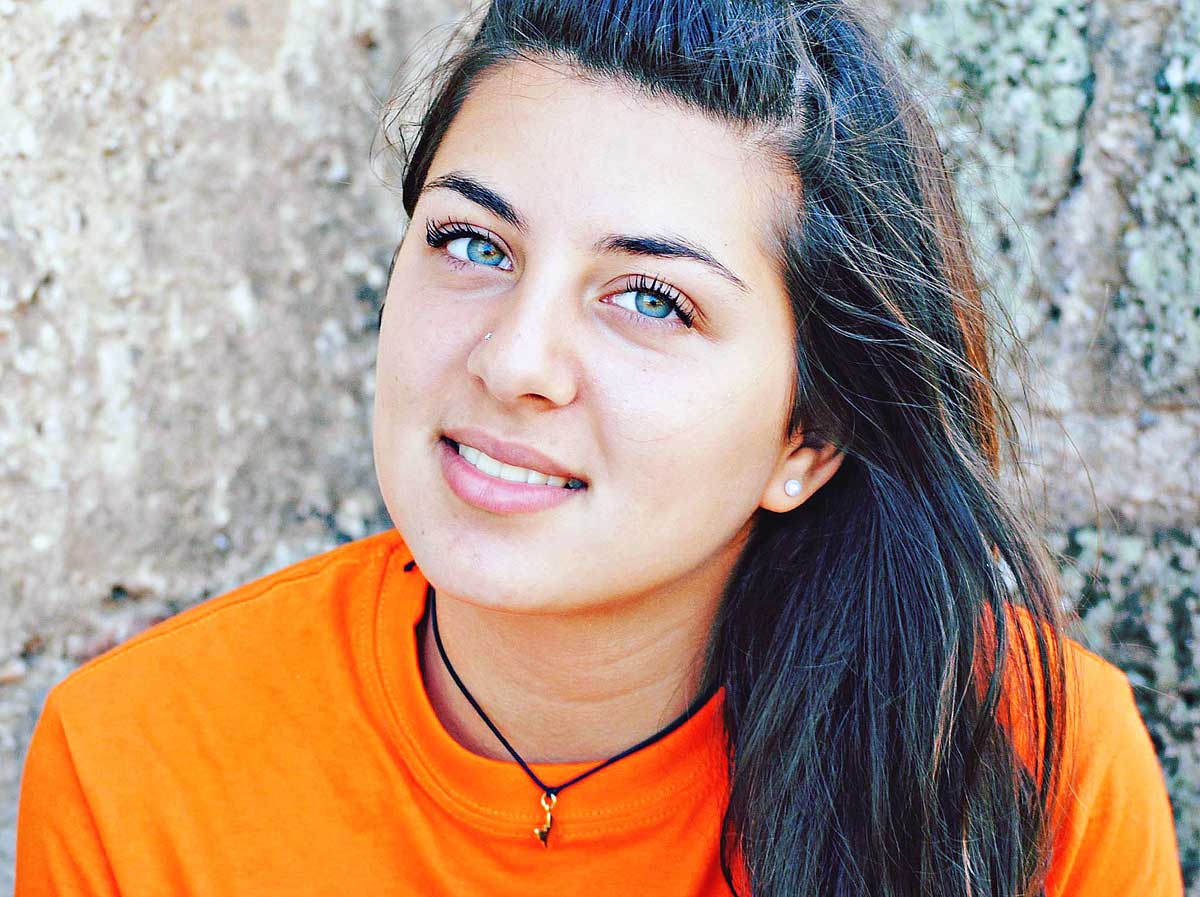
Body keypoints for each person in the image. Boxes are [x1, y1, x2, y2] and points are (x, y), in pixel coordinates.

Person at [15, 1, 1185, 895]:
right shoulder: (138, 762)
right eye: (473, 244)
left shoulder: (1025, 770)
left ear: (810, 436)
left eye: (650, 300)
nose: (515, 360)